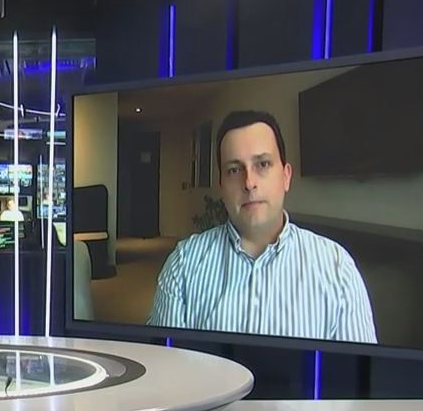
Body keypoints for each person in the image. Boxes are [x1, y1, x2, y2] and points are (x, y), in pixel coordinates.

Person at [147, 110, 377, 343]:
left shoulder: (337, 268)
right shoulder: (183, 265)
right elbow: (163, 361)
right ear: (221, 185)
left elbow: (357, 365)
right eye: (234, 170)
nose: (249, 183)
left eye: (263, 164)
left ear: (286, 177)